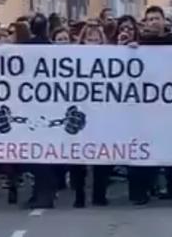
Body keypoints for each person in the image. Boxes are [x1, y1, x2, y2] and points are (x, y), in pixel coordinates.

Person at [138, 6, 172, 207]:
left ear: (164, 21)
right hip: (146, 106)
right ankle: (144, 190)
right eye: (149, 19)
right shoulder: (139, 45)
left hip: (170, 104)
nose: (152, 22)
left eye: (156, 18)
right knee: (145, 149)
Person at [70, 21, 110, 208]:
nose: (93, 43)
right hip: (80, 113)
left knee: (102, 157)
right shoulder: (72, 59)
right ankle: (79, 195)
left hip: (102, 115)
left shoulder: (111, 58)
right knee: (78, 158)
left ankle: (99, 195)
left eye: (97, 39)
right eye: (89, 39)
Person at [18, 13, 56, 209]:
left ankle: (40, 194)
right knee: (45, 156)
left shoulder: (23, 49)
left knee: (35, 156)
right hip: (48, 107)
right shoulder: (52, 49)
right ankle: (45, 194)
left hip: (30, 108)